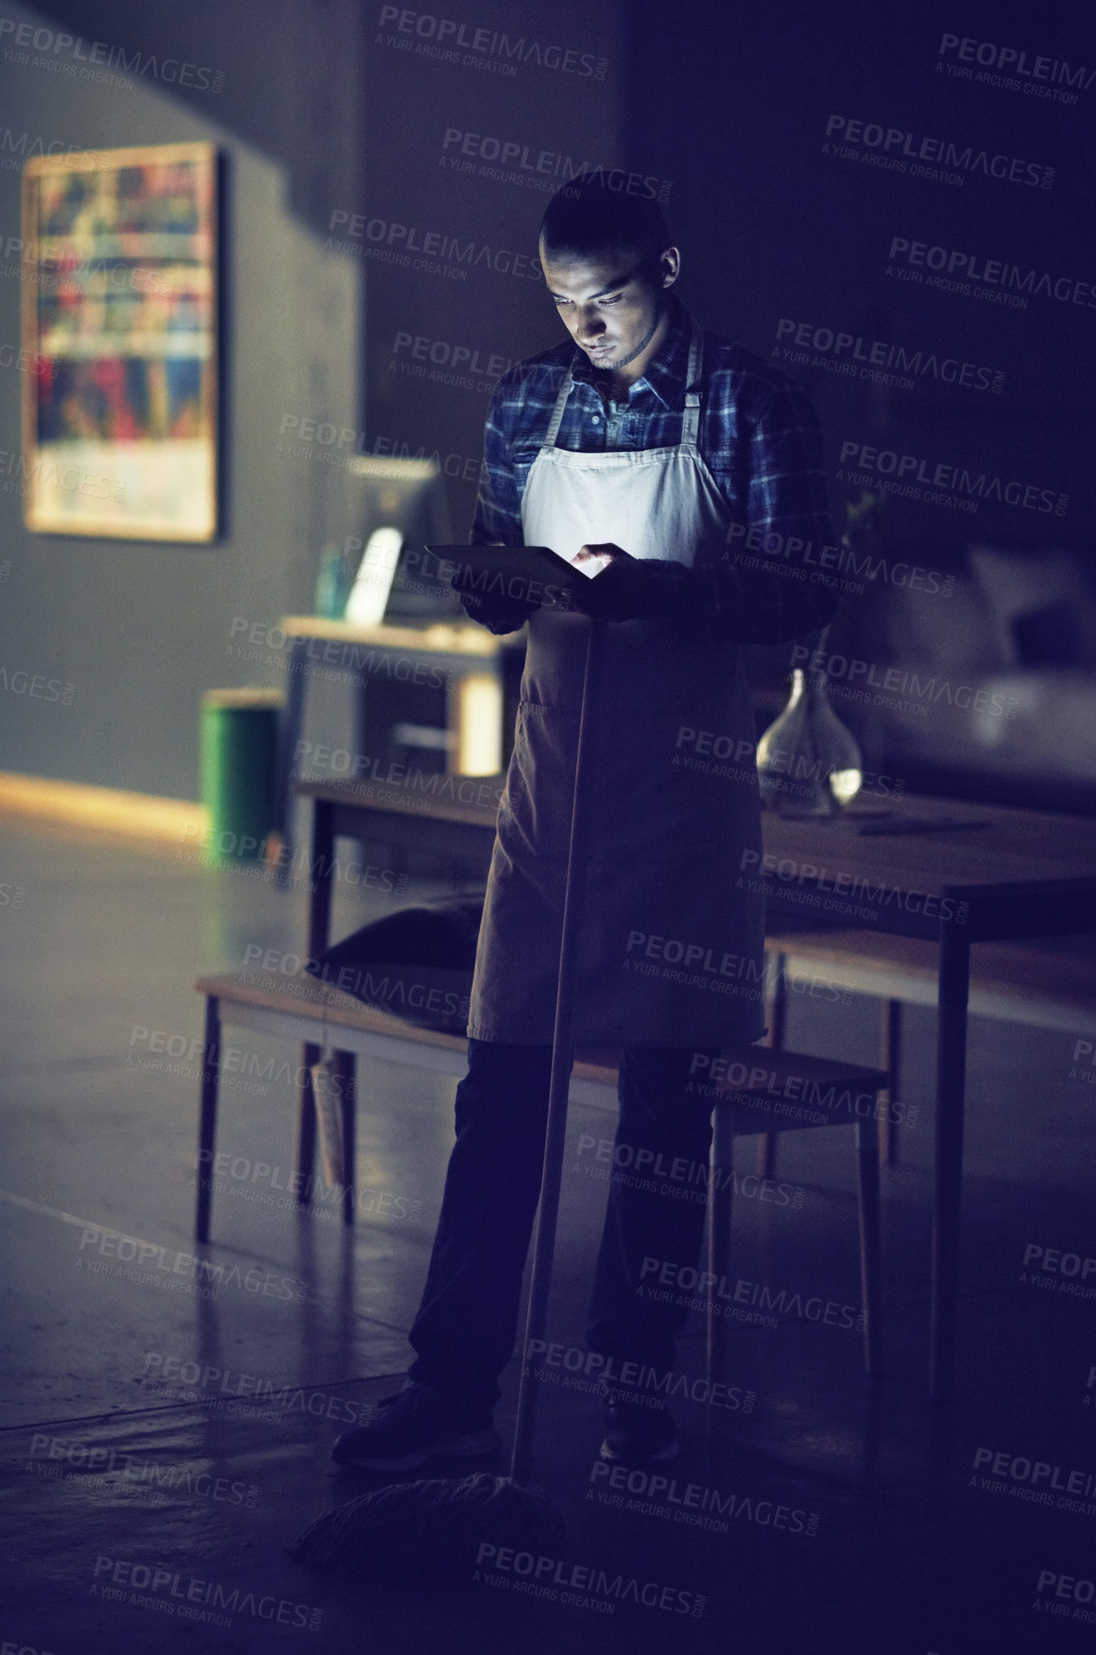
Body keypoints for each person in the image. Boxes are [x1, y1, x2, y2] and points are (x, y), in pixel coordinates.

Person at [332, 172, 837, 1473]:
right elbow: (503, 567)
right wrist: (503, 586)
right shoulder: (523, 403)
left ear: (664, 265)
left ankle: (637, 1394)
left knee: (666, 1118)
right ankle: (448, 1389)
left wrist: (662, 594)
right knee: (501, 1089)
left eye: (606, 296)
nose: (585, 326)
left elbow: (805, 588)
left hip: (685, 812)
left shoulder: (749, 403)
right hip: (547, 804)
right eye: (562, 302)